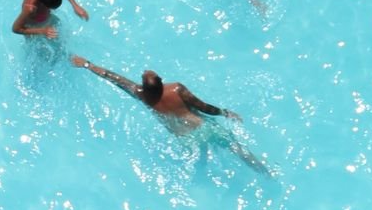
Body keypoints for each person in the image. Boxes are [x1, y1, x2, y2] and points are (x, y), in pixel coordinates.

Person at [70, 55, 268, 173]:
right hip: (202, 126)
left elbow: (114, 78)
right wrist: (225, 112)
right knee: (236, 148)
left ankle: (200, 173)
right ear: (161, 81)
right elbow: (203, 107)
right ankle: (263, 171)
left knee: (201, 154)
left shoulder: (141, 95)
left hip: (184, 136)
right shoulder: (176, 89)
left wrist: (87, 65)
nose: (146, 70)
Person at [12, 0, 88, 39]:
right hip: (34, 29)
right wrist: (42, 31)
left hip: (47, 22)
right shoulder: (30, 9)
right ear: (43, 5)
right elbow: (16, 28)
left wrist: (75, 5)